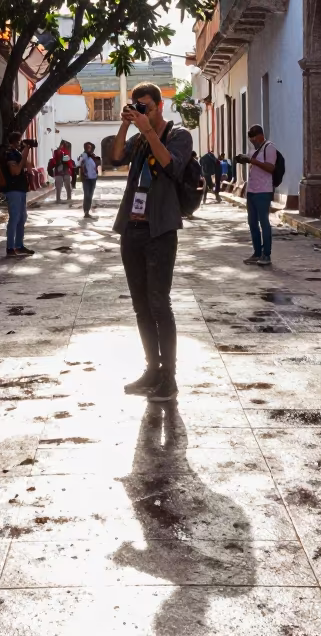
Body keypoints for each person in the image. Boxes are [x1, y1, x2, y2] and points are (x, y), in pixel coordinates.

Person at [109, 82, 193, 403]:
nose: (144, 111)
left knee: (159, 303)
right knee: (141, 306)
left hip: (160, 231)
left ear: (161, 106)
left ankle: (168, 376)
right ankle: (151, 369)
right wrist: (126, 124)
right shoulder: (138, 139)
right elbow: (115, 157)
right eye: (137, 106)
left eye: (147, 106)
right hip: (132, 230)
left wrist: (149, 132)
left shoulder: (178, 135)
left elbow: (171, 165)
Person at [238, 126, 278, 266]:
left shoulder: (269, 147)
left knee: (264, 223)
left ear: (261, 135)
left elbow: (270, 168)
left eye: (255, 138)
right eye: (251, 139)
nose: (253, 140)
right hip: (252, 191)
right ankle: (256, 253)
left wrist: (253, 161)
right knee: (252, 223)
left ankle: (266, 254)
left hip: (263, 191)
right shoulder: (253, 150)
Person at [3, 132, 36, 257]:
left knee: (22, 218)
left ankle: (19, 245)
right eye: (20, 141)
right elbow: (15, 171)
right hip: (13, 190)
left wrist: (25, 151)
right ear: (15, 142)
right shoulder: (9, 154)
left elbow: (29, 166)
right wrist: (23, 155)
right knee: (14, 218)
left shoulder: (16, 153)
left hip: (21, 189)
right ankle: (10, 247)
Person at [77, 141, 101, 218]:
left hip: (93, 179)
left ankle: (87, 211)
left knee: (90, 195)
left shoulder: (93, 157)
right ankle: (86, 211)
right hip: (86, 179)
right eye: (87, 147)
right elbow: (78, 164)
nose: (89, 149)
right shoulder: (83, 156)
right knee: (86, 195)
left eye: (90, 147)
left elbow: (98, 166)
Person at [49, 140, 74, 206]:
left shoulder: (66, 152)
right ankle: (58, 199)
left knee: (67, 186)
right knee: (58, 186)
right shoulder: (56, 152)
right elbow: (54, 160)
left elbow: (68, 161)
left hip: (66, 171)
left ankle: (69, 197)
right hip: (58, 171)